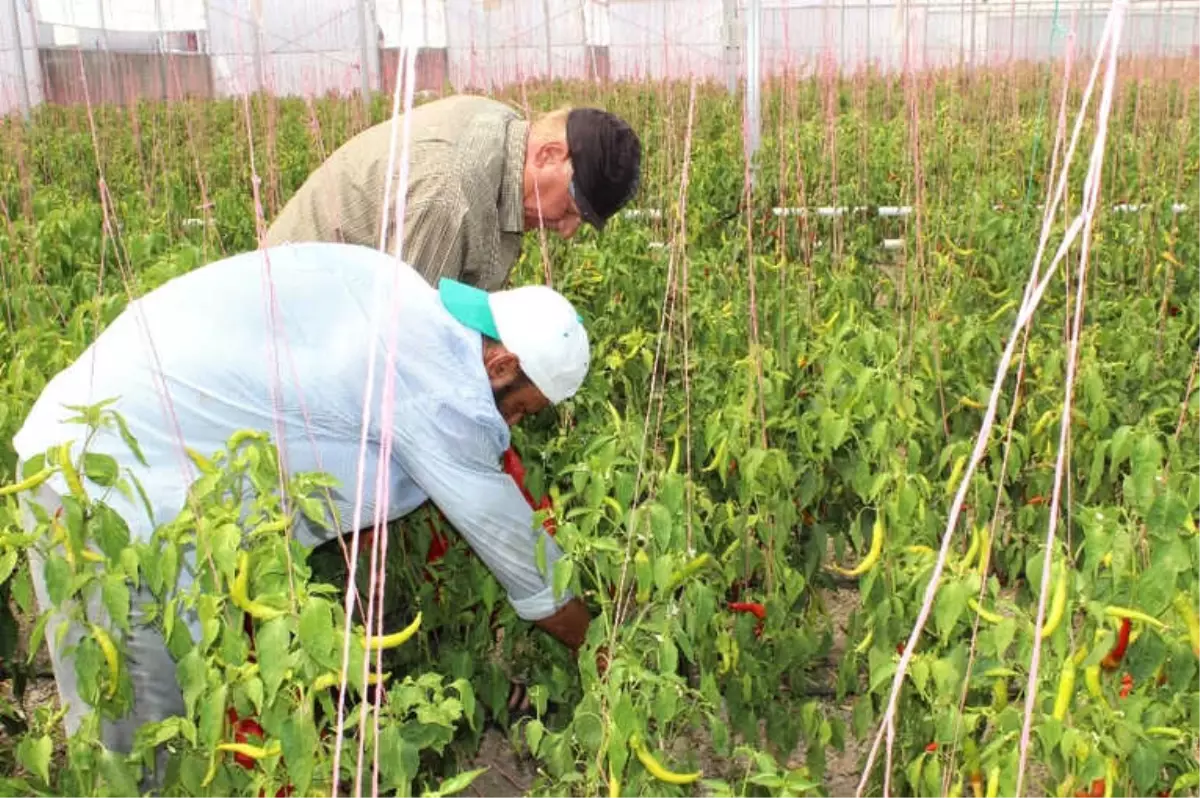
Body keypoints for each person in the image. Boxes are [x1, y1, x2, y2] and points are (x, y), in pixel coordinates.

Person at [11, 241, 594, 762]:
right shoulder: (440, 386)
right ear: (502, 364)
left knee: (187, 708)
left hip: (134, 458)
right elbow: (525, 564)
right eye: (522, 407)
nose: (514, 424)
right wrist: (600, 651)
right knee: (144, 737)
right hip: (99, 487)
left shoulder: (405, 297)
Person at [263, 93, 642, 290]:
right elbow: (409, 343)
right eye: (573, 208)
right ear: (548, 155)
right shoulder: (450, 194)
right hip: (295, 316)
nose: (568, 229)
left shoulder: (501, 129)